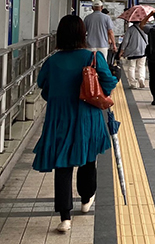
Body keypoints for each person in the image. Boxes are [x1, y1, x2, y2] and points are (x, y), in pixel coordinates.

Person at [33, 15, 118, 233]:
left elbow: (43, 86)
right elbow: (108, 84)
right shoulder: (93, 57)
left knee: (63, 165)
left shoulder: (52, 61)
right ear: (83, 34)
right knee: (88, 159)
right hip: (87, 116)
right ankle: (86, 198)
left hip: (59, 119)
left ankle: (64, 218)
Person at [119, 21, 147, 89]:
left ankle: (133, 83)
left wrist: (122, 50)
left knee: (131, 67)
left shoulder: (130, 29)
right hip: (143, 51)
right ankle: (141, 79)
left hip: (132, 52)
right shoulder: (145, 28)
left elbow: (125, 41)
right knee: (141, 66)